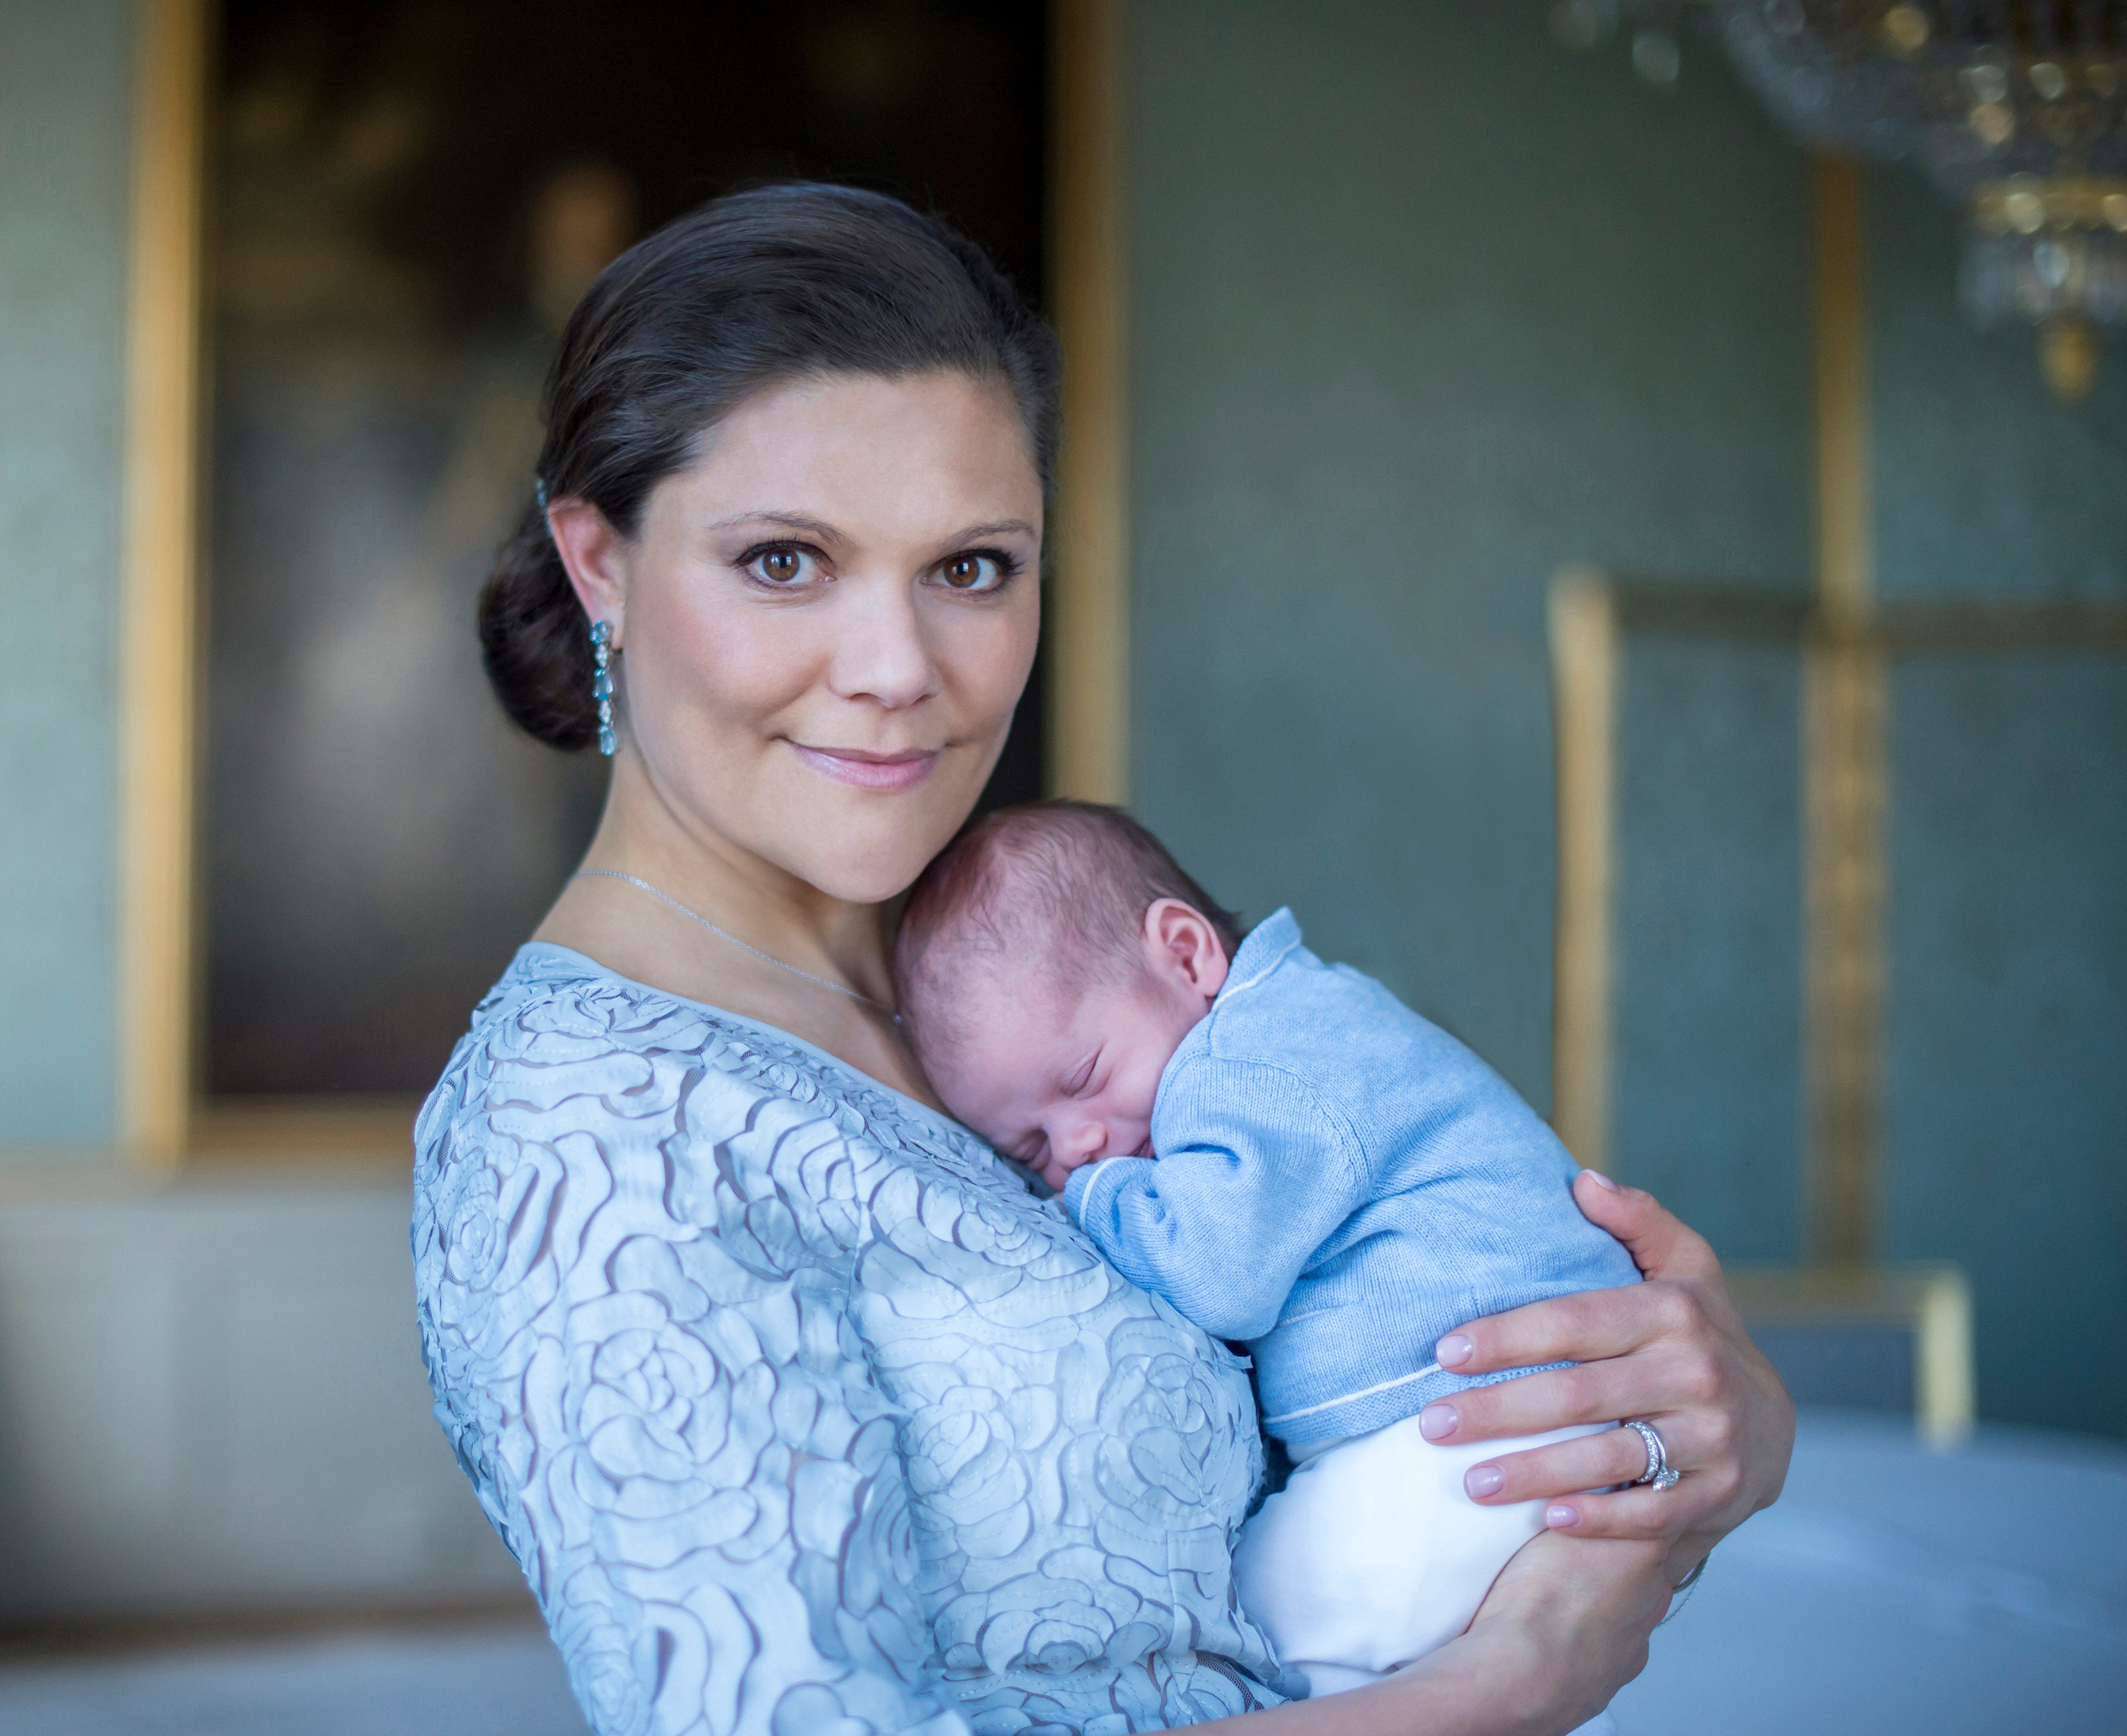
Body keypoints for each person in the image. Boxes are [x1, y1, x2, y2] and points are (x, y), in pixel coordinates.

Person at [412, 182, 1795, 1736]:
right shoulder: (589, 1141)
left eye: (972, 569)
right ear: (598, 560)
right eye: (786, 563)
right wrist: (1512, 1681)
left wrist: (1699, 1418)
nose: (897, 673)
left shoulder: (1015, 985)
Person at [891, 799, 1647, 1714]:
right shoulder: (1280, 1028)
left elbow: (1219, 1275)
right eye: (1029, 1150)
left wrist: (1084, 1198)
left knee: (1272, 1619)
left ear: (1184, 954)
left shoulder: (1255, 1066)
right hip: (1496, 1415)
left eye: (1084, 1077)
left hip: (1492, 1420)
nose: (1080, 1144)